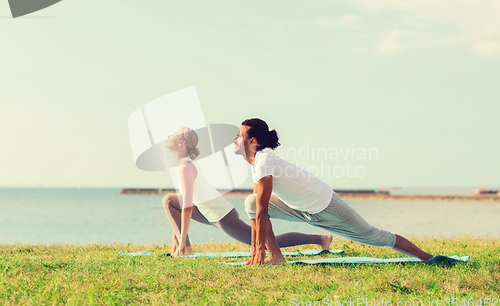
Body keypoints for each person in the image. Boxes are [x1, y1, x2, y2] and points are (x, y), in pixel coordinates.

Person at [233, 118, 435, 265]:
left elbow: (262, 211)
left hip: (326, 206)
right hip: (299, 208)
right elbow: (257, 210)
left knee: (375, 236)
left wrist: (259, 249)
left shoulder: (264, 161)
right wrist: (254, 253)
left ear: (252, 142)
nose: (235, 140)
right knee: (250, 202)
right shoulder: (257, 164)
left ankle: (427, 258)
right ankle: (276, 257)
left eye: (239, 136)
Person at [162, 126, 333, 257]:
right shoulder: (182, 166)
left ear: (181, 143)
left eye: (173, 135)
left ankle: (320, 239)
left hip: (223, 216)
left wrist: (183, 239)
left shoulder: (185, 167)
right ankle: (182, 250)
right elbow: (182, 206)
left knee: (266, 243)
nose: (168, 135)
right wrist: (177, 240)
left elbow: (186, 208)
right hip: (204, 210)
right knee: (170, 201)